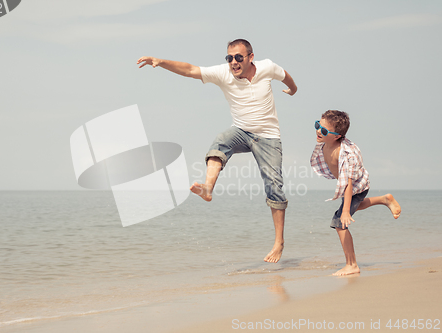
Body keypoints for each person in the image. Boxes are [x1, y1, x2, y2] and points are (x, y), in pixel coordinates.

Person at [137, 39, 297, 263]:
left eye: (238, 57)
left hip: (269, 137)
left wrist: (293, 88)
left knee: (274, 185)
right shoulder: (223, 73)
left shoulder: (267, 67)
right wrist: (161, 61)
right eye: (229, 58)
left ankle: (279, 242)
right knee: (220, 142)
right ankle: (207, 188)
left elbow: (285, 74)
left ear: (251, 57)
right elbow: (191, 69)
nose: (233, 62)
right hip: (241, 130)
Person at [310, 110, 402, 276]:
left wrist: (345, 212)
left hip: (355, 187)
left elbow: (348, 184)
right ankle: (385, 199)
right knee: (355, 208)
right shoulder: (326, 141)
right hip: (352, 185)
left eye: (323, 130)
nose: (318, 131)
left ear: (337, 136)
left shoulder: (345, 154)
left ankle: (352, 264)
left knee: (340, 223)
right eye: (317, 125)